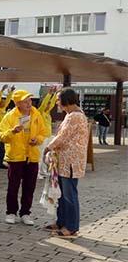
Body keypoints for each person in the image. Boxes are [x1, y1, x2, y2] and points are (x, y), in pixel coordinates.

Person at [43, 88, 88, 238]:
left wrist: (48, 147)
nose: (57, 102)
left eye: (58, 99)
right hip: (64, 161)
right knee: (62, 194)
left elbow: (63, 136)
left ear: (66, 100)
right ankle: (61, 221)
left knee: (69, 195)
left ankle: (71, 227)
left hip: (70, 162)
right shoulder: (72, 114)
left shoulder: (74, 116)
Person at [0, 90, 45, 226]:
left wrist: (38, 139)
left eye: (30, 101)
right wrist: (12, 131)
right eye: (25, 101)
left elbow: (43, 132)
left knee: (29, 186)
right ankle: (11, 212)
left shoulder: (36, 114)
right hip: (16, 157)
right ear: (17, 103)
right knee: (13, 186)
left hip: (32, 156)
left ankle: (26, 213)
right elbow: (2, 136)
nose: (29, 104)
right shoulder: (10, 116)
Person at [0, 84, 15, 170]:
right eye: (2, 101)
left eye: (4, 101)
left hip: (3, 132)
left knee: (2, 149)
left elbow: (8, 100)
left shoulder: (3, 109)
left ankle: (0, 163)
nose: (3, 102)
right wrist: (2, 91)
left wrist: (11, 91)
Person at [37, 85, 58, 179]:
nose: (49, 105)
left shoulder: (47, 114)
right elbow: (44, 104)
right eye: (47, 104)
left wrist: (56, 94)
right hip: (42, 137)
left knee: (46, 156)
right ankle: (37, 173)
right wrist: (49, 93)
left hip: (48, 136)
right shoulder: (40, 112)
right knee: (40, 155)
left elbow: (53, 103)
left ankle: (43, 171)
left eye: (49, 104)